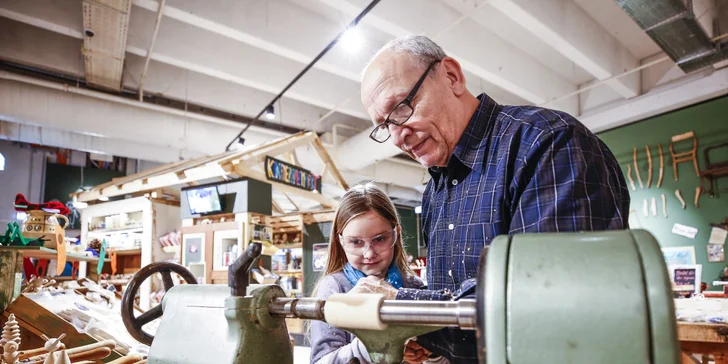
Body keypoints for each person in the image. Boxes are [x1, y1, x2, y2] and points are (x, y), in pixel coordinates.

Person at [353, 35, 631, 363]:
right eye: (384, 125)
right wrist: (431, 338)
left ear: (452, 77)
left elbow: (549, 296)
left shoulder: (548, 144)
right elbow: (457, 299)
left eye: (401, 107)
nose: (398, 135)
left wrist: (403, 308)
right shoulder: (435, 191)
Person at [309, 182, 427, 364]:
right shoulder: (335, 288)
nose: (369, 253)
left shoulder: (414, 286)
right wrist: (374, 346)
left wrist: (431, 353)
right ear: (341, 241)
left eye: (380, 239)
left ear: (396, 234)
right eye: (356, 242)